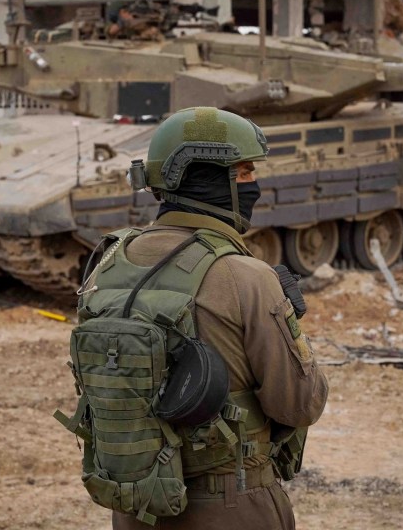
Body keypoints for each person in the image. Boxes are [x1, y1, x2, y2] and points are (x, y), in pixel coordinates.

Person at [112, 106, 329, 529]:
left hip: (136, 503)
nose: (255, 186)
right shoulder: (246, 277)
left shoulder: (108, 262)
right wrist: (292, 326)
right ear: (211, 178)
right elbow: (301, 404)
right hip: (230, 504)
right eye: (244, 173)